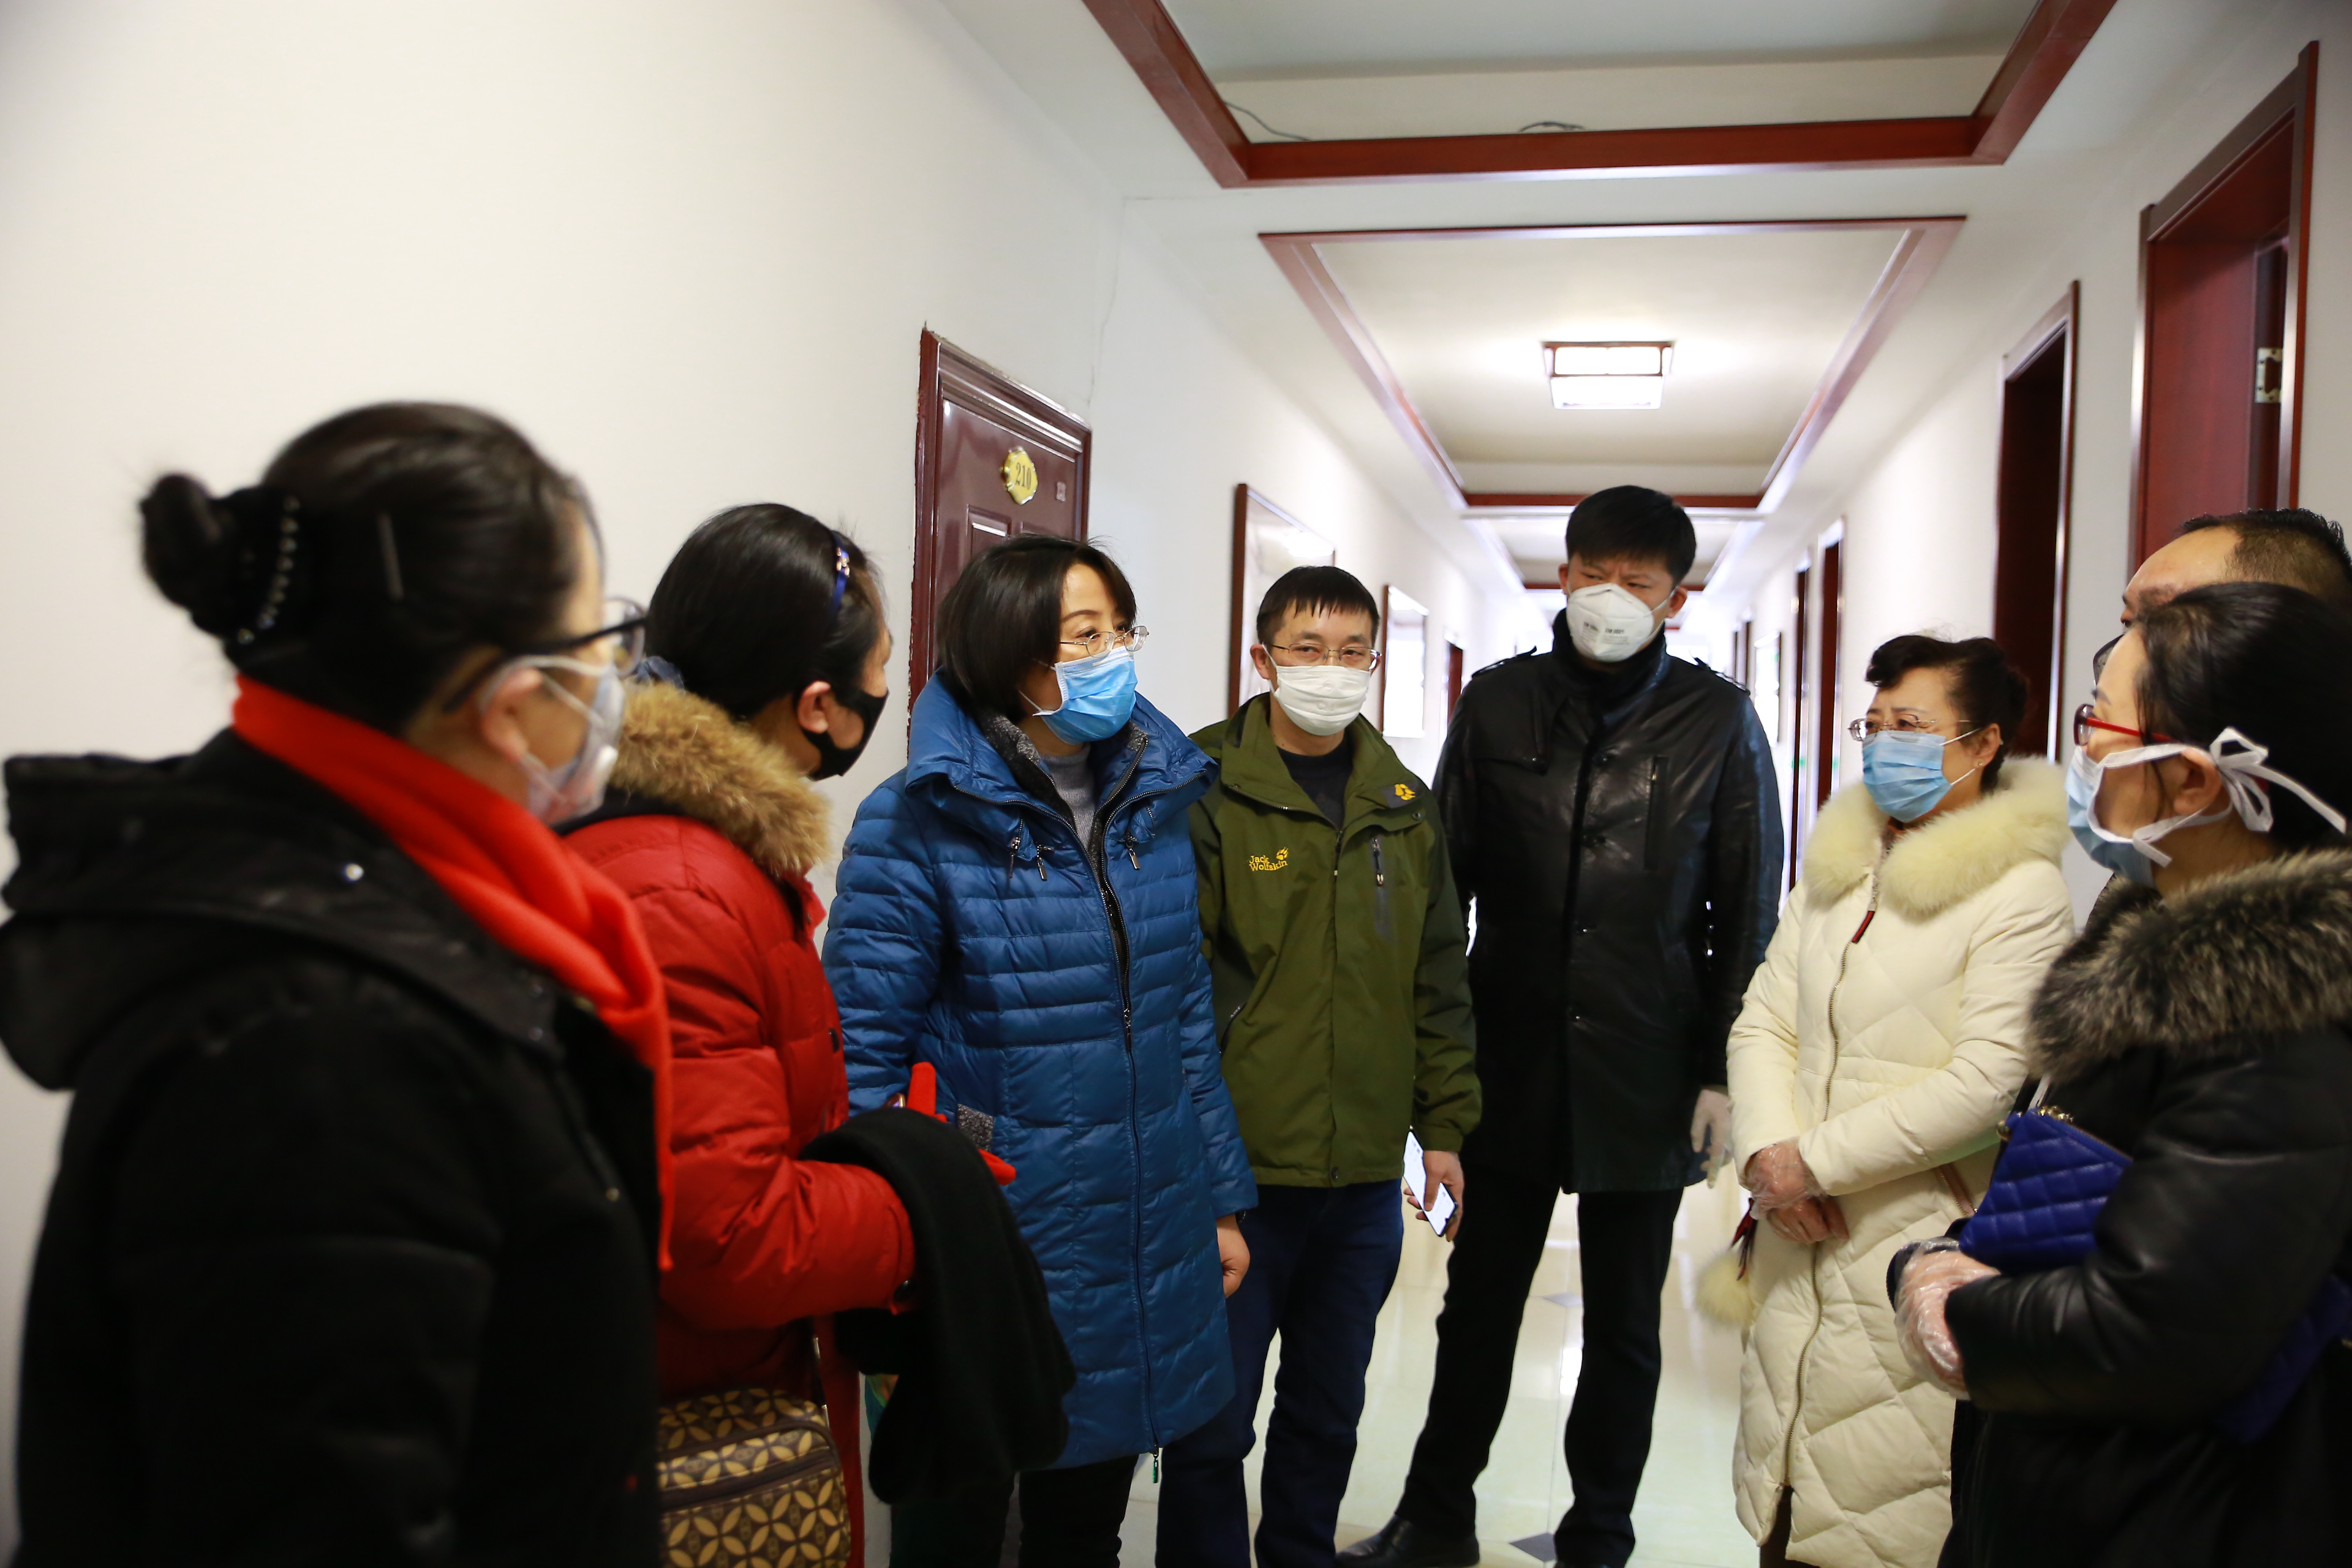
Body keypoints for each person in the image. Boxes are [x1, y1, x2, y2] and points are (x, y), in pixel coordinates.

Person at [0, 403, 665, 1564]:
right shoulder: (326, 1045)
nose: (613, 682)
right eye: (597, 646)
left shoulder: (386, 903)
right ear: (511, 702)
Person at [1347, 486, 1782, 1568]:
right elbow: (1442, 895)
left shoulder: (1717, 721)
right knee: (1477, 1305)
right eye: (1595, 574)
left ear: (1677, 600)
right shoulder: (1499, 704)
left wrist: (1723, 1070)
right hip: (1508, 1054)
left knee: (1628, 1324)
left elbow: (1746, 911)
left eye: (1639, 582)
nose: (1611, 597)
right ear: (1563, 575)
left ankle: (1599, 1535)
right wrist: (1435, 1063)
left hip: (1650, 1062)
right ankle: (1435, 1518)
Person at [1894, 581, 2352, 1567]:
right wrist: (1947, 1256)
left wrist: (1950, 1298)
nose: (2082, 756)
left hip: (2165, 1517)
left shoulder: (2278, 1017)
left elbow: (2153, 1331)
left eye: (2098, 726)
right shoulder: (2159, 955)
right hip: (2067, 1488)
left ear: (2190, 782)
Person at [823, 535, 1257, 1565]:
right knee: (956, 1522)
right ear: (1006, 651)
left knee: (1084, 1525)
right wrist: (886, 1247)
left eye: (1119, 632)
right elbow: (862, 1057)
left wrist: (1220, 1201)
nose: (1113, 657)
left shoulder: (1157, 804)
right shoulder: (916, 820)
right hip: (989, 1234)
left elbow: (1184, 1024)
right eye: (1083, 637)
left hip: (1141, 1221)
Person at [562, 505, 910, 1554]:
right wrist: (917, 1209)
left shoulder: (702, 853)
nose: (885, 697)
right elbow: (729, 1238)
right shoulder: (684, 887)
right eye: (880, 675)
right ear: (819, 706)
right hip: (690, 1413)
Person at [1724, 636, 2075, 1568]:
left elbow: (1988, 1082)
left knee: (1885, 1509)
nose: (1885, 746)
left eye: (1911, 726)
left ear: (1983, 743)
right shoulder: (1841, 871)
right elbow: (1765, 1024)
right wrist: (1767, 1157)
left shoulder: (2022, 891)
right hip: (1795, 1235)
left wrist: (1811, 1164)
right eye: (1873, 726)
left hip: (1908, 1240)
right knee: (1786, 1500)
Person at [1159, 566, 1483, 1568]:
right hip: (1236, 1175)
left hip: (1361, 1179)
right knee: (1212, 1424)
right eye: (1308, 648)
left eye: (1352, 652)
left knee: (1327, 1411)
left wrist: (1444, 1127)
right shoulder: (1202, 786)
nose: (1331, 669)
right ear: (1263, 658)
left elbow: (1437, 973)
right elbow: (1173, 988)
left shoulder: (1403, 803)